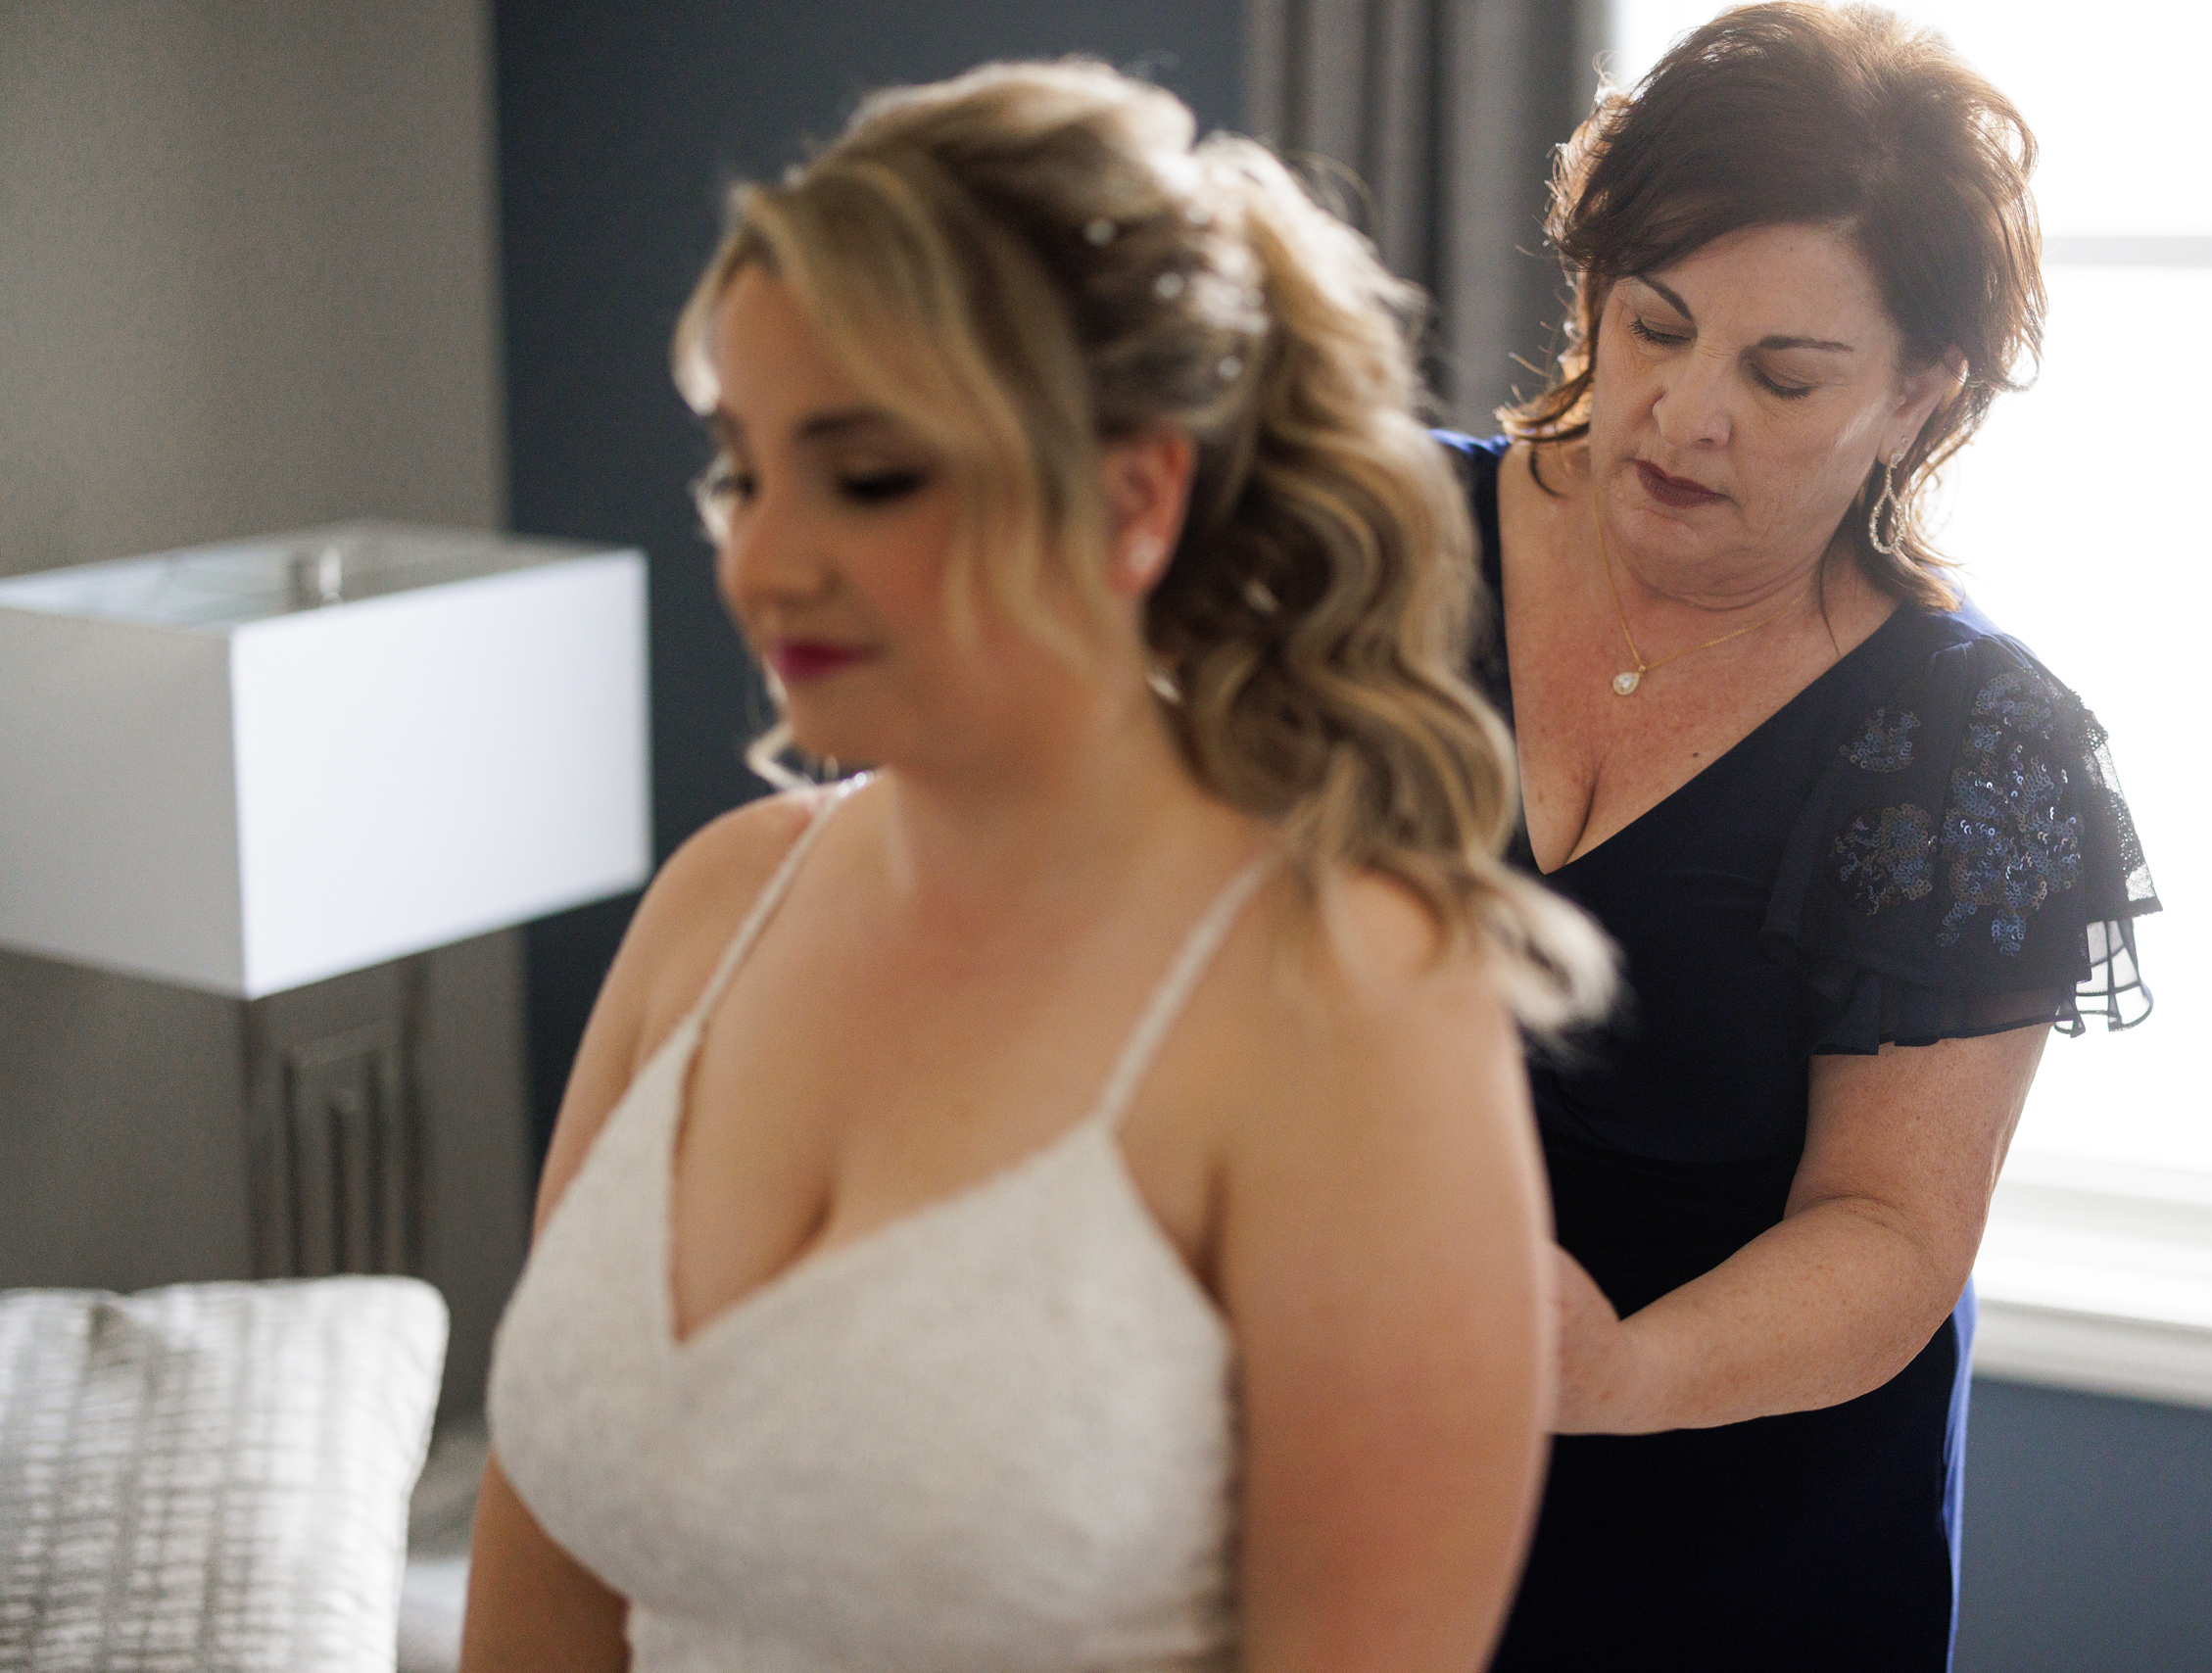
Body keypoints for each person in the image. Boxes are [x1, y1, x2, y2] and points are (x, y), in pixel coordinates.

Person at [459, 60, 1611, 1673]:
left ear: (1135, 495)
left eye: (865, 475)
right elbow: (543, 1563)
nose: (762, 556)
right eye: (743, 468)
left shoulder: (1349, 1002)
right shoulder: (717, 908)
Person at [1441, 6, 2160, 1668]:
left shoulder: (1979, 744)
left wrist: (1616, 1376)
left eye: (1784, 375)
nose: (1688, 414)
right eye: (1653, 327)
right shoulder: (1362, 548)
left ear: (1920, 395)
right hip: (1325, 1494)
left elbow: (1893, 1231)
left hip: (1729, 1568)